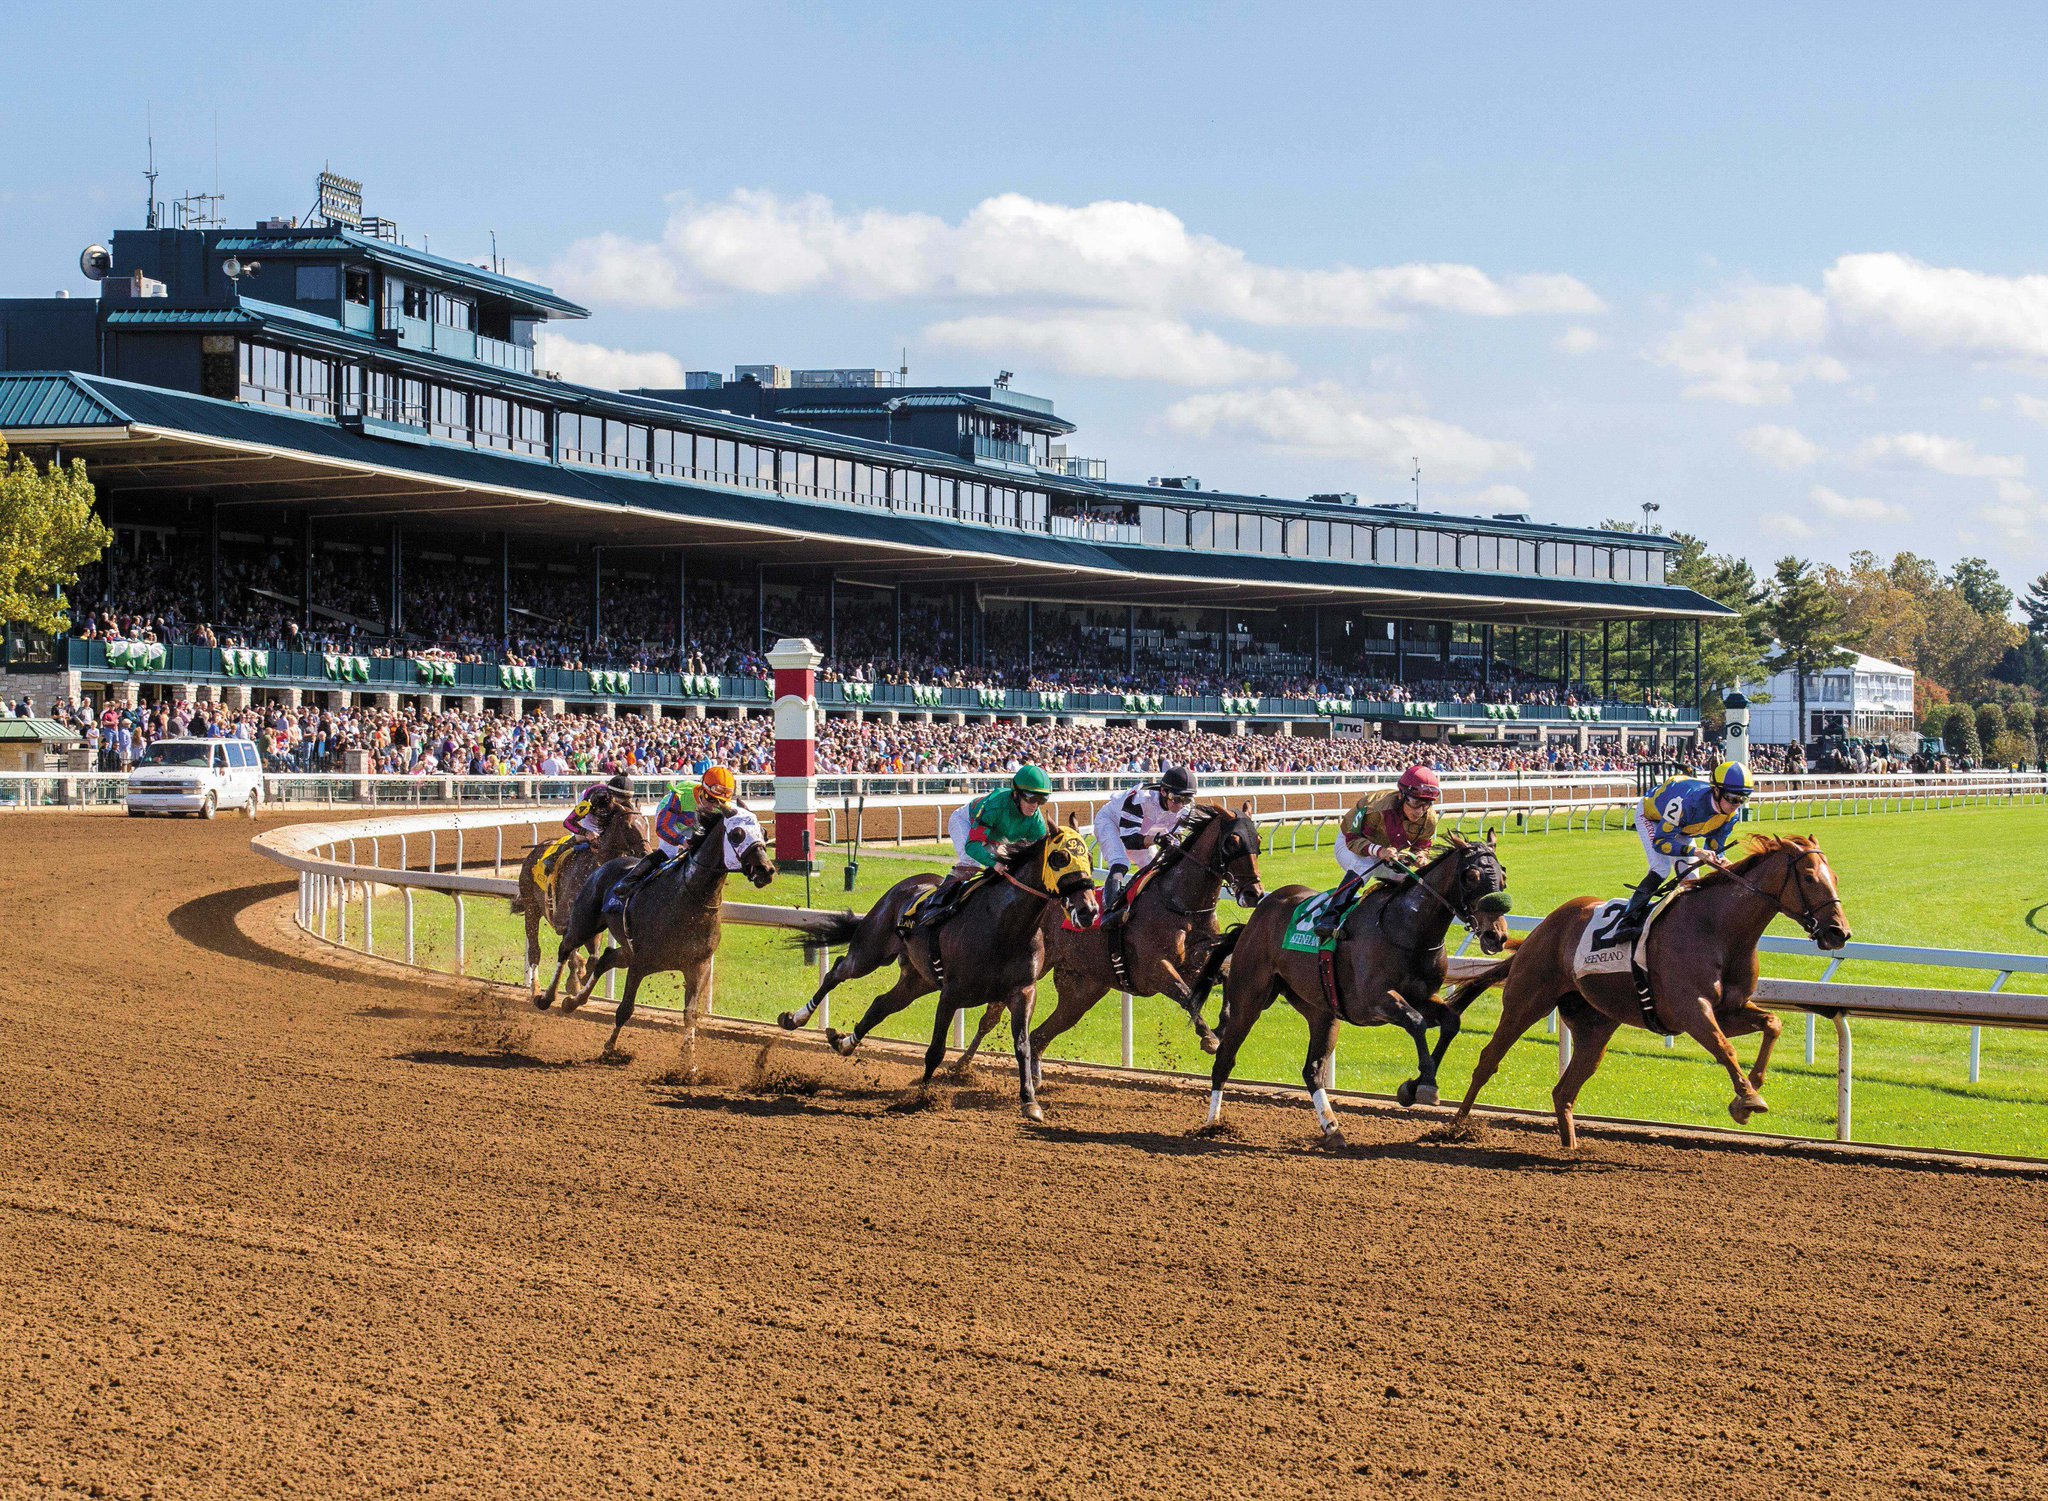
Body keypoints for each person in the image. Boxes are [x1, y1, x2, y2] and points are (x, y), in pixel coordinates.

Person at [908, 765, 1054, 931]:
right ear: (1016, 793)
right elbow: (972, 846)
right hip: (965, 822)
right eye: (1030, 798)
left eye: (1041, 800)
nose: (1035, 805)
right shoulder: (996, 805)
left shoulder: (1036, 822)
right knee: (972, 861)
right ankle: (935, 905)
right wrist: (994, 863)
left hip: (995, 836)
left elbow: (1041, 855)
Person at [1618, 760, 1752, 929]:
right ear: (1716, 791)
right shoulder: (1686, 803)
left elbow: (1713, 849)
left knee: (1691, 881)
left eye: (1742, 799)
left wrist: (1723, 862)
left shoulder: (1731, 816)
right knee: (1661, 867)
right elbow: (1661, 843)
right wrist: (1696, 851)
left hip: (1683, 828)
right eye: (1732, 798)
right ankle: (1628, 919)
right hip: (1652, 818)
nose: (1735, 806)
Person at [1316, 764, 1441, 937]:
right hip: (1350, 845)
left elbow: (1422, 846)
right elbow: (1352, 840)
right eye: (1416, 802)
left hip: (1388, 855)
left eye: (1426, 804)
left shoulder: (1430, 819)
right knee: (1363, 864)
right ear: (1401, 795)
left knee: (1408, 879)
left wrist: (1420, 855)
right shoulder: (1375, 807)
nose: (1420, 811)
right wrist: (1379, 851)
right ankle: (1329, 919)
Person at [606, 766, 738, 915]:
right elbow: (663, 827)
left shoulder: (724, 807)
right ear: (702, 789)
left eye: (720, 802)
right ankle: (628, 882)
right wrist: (682, 840)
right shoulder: (681, 796)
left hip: (693, 823)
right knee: (668, 853)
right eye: (710, 799)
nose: (713, 806)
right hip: (671, 821)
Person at [1092, 766, 1197, 913]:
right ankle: (1110, 909)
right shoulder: (1141, 798)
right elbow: (1129, 841)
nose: (1180, 805)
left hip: (1141, 831)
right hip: (1111, 822)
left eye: (1186, 799)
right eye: (1176, 798)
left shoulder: (1186, 810)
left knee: (1154, 870)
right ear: (1163, 791)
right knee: (1120, 863)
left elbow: (1176, 841)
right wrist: (1158, 839)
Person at [563, 770, 635, 847]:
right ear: (609, 795)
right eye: (618, 800)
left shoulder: (628, 805)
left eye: (624, 800)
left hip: (605, 808)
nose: (621, 804)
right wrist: (586, 833)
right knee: (590, 837)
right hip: (594, 808)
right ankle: (556, 854)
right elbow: (568, 822)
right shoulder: (594, 799)